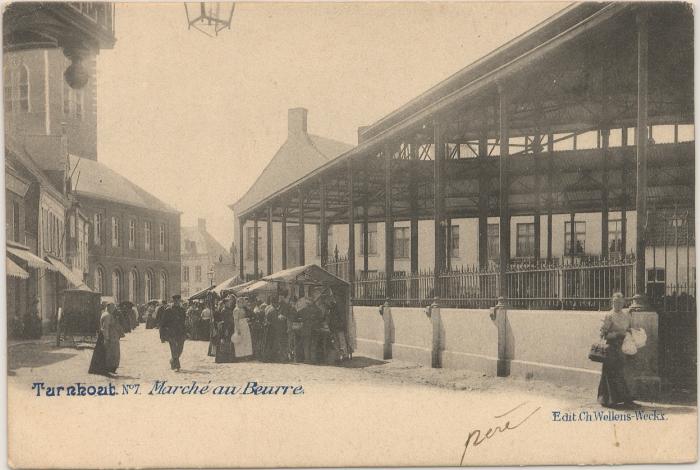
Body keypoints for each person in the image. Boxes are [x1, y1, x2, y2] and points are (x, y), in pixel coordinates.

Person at [597, 292, 639, 409]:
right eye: (615, 302)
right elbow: (603, 334)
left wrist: (631, 333)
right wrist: (617, 334)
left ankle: (627, 400)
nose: (618, 304)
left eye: (620, 302)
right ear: (612, 302)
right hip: (612, 348)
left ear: (624, 303)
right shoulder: (608, 316)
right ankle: (609, 400)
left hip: (625, 347)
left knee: (625, 374)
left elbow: (629, 328)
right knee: (611, 374)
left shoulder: (626, 315)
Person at [160, 295, 187, 371]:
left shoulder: (182, 310)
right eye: (175, 301)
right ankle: (177, 366)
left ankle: (172, 360)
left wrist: (186, 332)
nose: (177, 302)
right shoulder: (168, 310)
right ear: (173, 301)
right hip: (171, 333)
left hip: (181, 332)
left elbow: (184, 322)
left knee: (180, 349)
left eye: (178, 301)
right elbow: (163, 323)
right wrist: (162, 335)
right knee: (174, 349)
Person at [100, 301, 122, 374]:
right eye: (113, 308)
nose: (114, 309)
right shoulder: (107, 316)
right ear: (109, 307)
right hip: (111, 337)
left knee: (112, 353)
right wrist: (106, 338)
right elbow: (105, 327)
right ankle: (110, 368)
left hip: (112, 336)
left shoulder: (106, 314)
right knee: (112, 353)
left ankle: (110, 368)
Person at [215, 296, 236, 363]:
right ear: (225, 303)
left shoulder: (228, 309)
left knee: (228, 342)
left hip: (230, 327)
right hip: (226, 327)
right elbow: (225, 320)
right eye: (227, 302)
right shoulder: (224, 310)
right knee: (224, 342)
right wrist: (226, 329)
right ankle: (223, 358)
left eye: (229, 302)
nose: (229, 303)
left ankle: (226, 358)